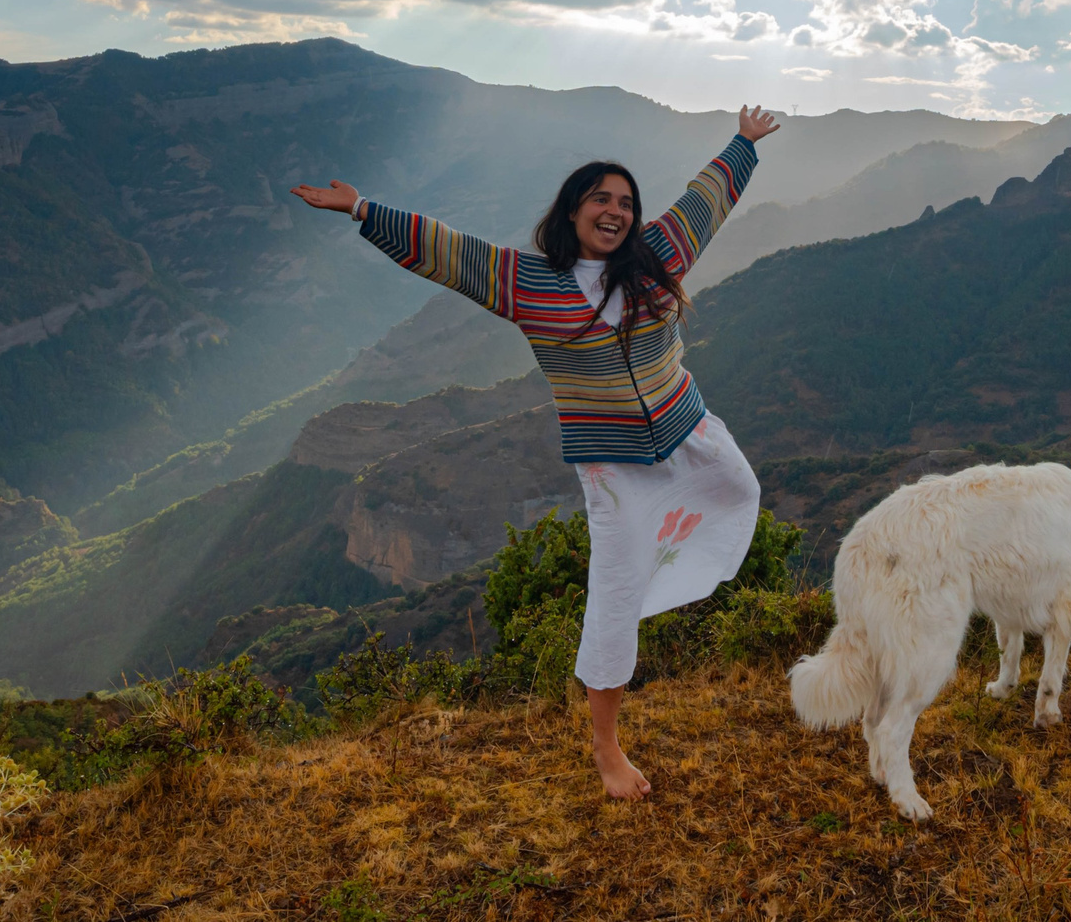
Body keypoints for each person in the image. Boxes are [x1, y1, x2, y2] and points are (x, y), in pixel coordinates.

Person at [290, 105, 783, 800]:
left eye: (625, 202)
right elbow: (450, 253)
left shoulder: (660, 255)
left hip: (688, 429)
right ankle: (607, 747)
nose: (615, 210)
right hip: (612, 467)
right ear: (574, 211)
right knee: (612, 596)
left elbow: (706, 200)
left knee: (741, 490)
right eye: (600, 199)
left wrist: (744, 143)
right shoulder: (530, 282)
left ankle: (667, 580)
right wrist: (364, 209)